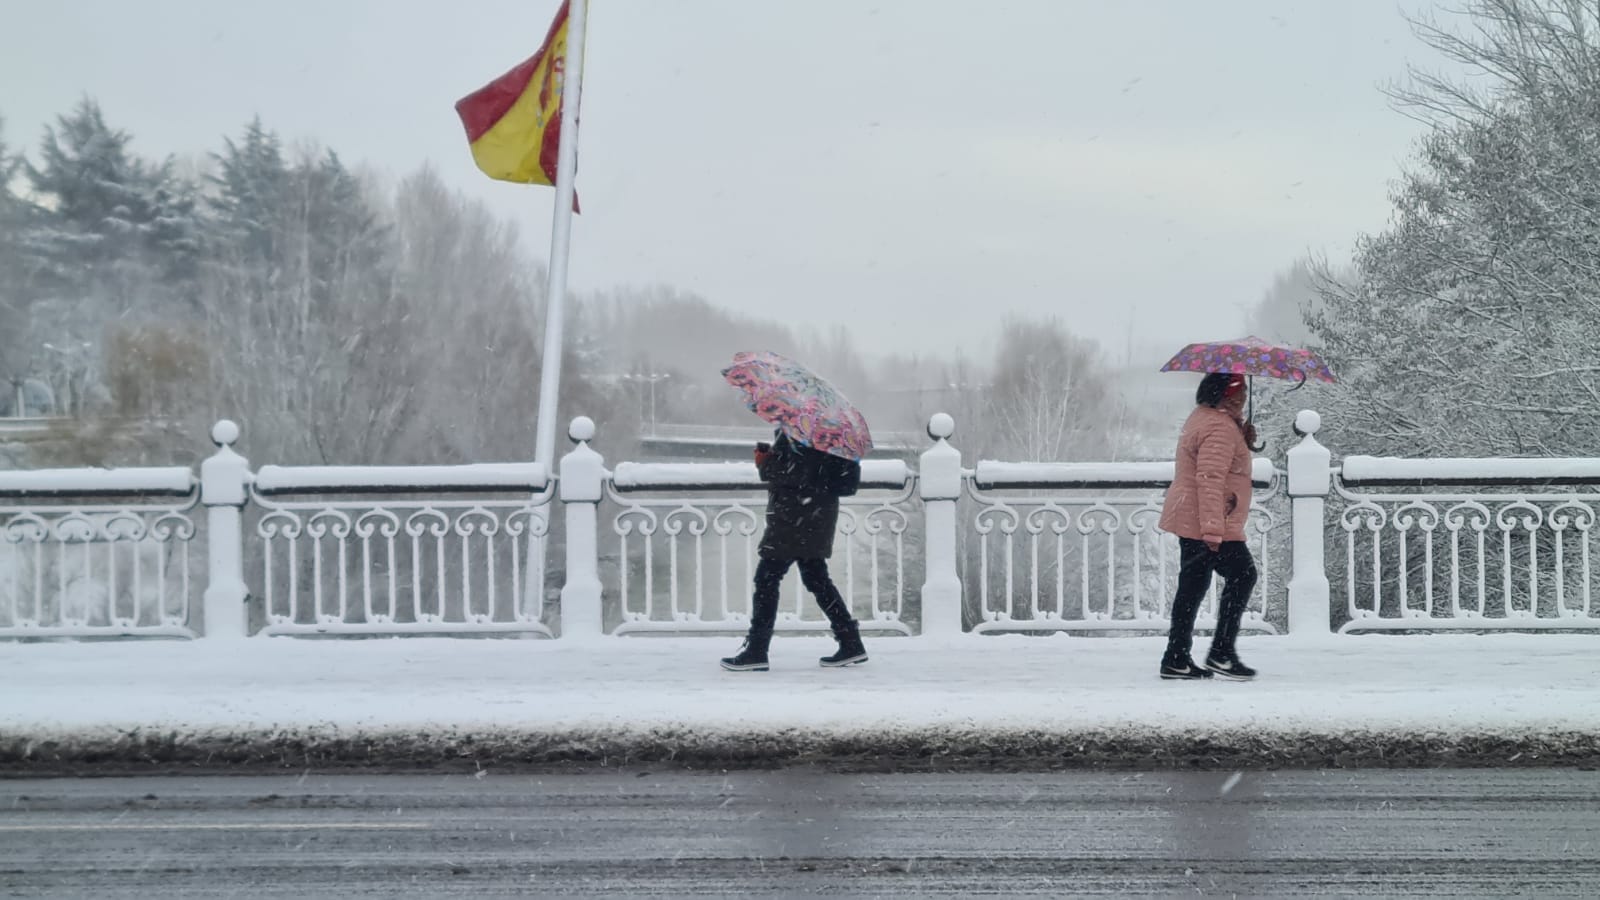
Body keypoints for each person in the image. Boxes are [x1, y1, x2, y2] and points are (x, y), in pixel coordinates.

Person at [720, 431, 866, 672]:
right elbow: (822, 475)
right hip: (816, 517)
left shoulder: (802, 432)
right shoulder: (832, 436)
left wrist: (764, 461)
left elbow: (788, 473)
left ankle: (757, 650)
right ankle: (850, 641)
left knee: (767, 580)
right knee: (816, 579)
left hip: (794, 519)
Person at [1156, 372, 1260, 681]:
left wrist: (1243, 436)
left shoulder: (1206, 418)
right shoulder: (1219, 427)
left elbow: (1219, 467)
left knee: (1192, 587)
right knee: (1243, 575)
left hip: (1193, 517)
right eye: (1238, 392)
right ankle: (1221, 653)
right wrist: (1213, 531)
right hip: (1209, 520)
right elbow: (1210, 479)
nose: (1243, 397)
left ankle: (1176, 657)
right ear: (1225, 396)